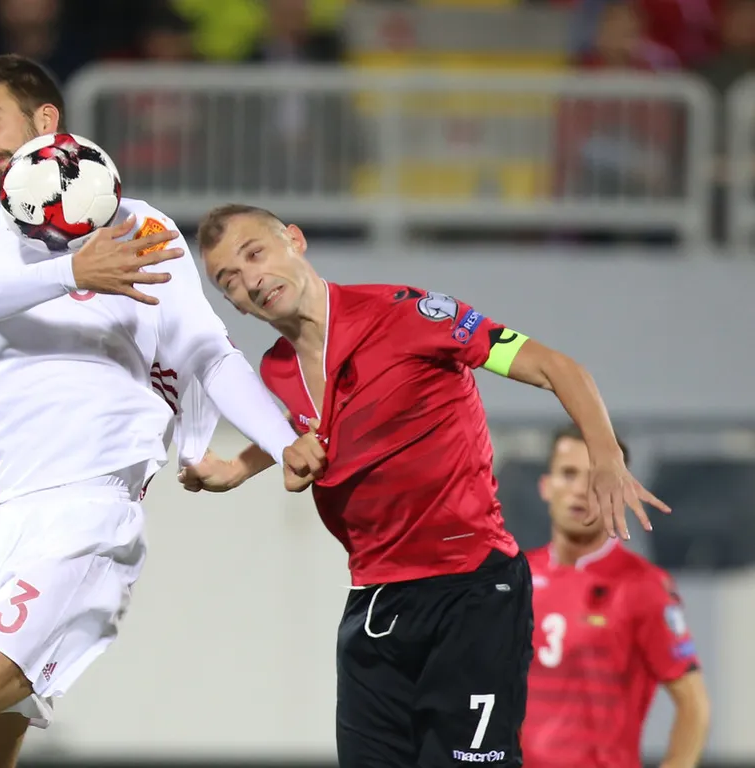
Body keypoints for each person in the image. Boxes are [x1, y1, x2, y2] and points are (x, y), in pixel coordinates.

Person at [0, 57, 321, 768]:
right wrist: (73, 271)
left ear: (45, 120)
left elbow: (209, 354)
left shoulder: (142, 228)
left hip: (83, 522)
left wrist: (282, 443)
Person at [181, 203, 671, 768]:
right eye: (229, 281)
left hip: (472, 591)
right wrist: (237, 468)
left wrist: (606, 455)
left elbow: (557, 368)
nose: (251, 280)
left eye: (255, 253)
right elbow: (315, 423)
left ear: (295, 239)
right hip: (375, 600)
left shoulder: (411, 314)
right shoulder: (277, 370)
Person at [522, 425, 710, 768]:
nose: (581, 490)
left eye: (597, 478)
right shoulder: (514, 579)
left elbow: (693, 705)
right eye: (569, 474)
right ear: (546, 486)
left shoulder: (644, 586)